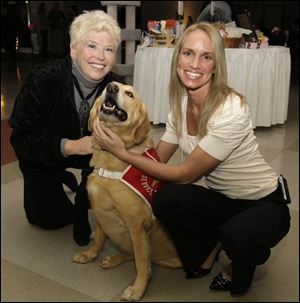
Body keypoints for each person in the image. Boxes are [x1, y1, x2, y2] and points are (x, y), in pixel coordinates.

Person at [93, 22, 291, 295]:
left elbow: (186, 173)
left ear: (215, 65)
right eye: (188, 53)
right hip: (224, 199)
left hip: (263, 202)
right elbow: (157, 159)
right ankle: (213, 244)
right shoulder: (182, 105)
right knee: (166, 199)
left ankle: (236, 264)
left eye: (206, 56)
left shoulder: (232, 109)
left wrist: (121, 153)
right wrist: (113, 168)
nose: (194, 63)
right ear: (177, 59)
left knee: (239, 240)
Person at [9, 10, 122, 246]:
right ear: (73, 49)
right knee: (48, 220)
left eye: (109, 49)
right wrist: (70, 146)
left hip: (92, 159)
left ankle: (81, 197)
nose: (100, 56)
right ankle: (58, 174)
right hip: (47, 154)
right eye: (92, 46)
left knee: (101, 186)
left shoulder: (118, 88)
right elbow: (20, 138)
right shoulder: (43, 79)